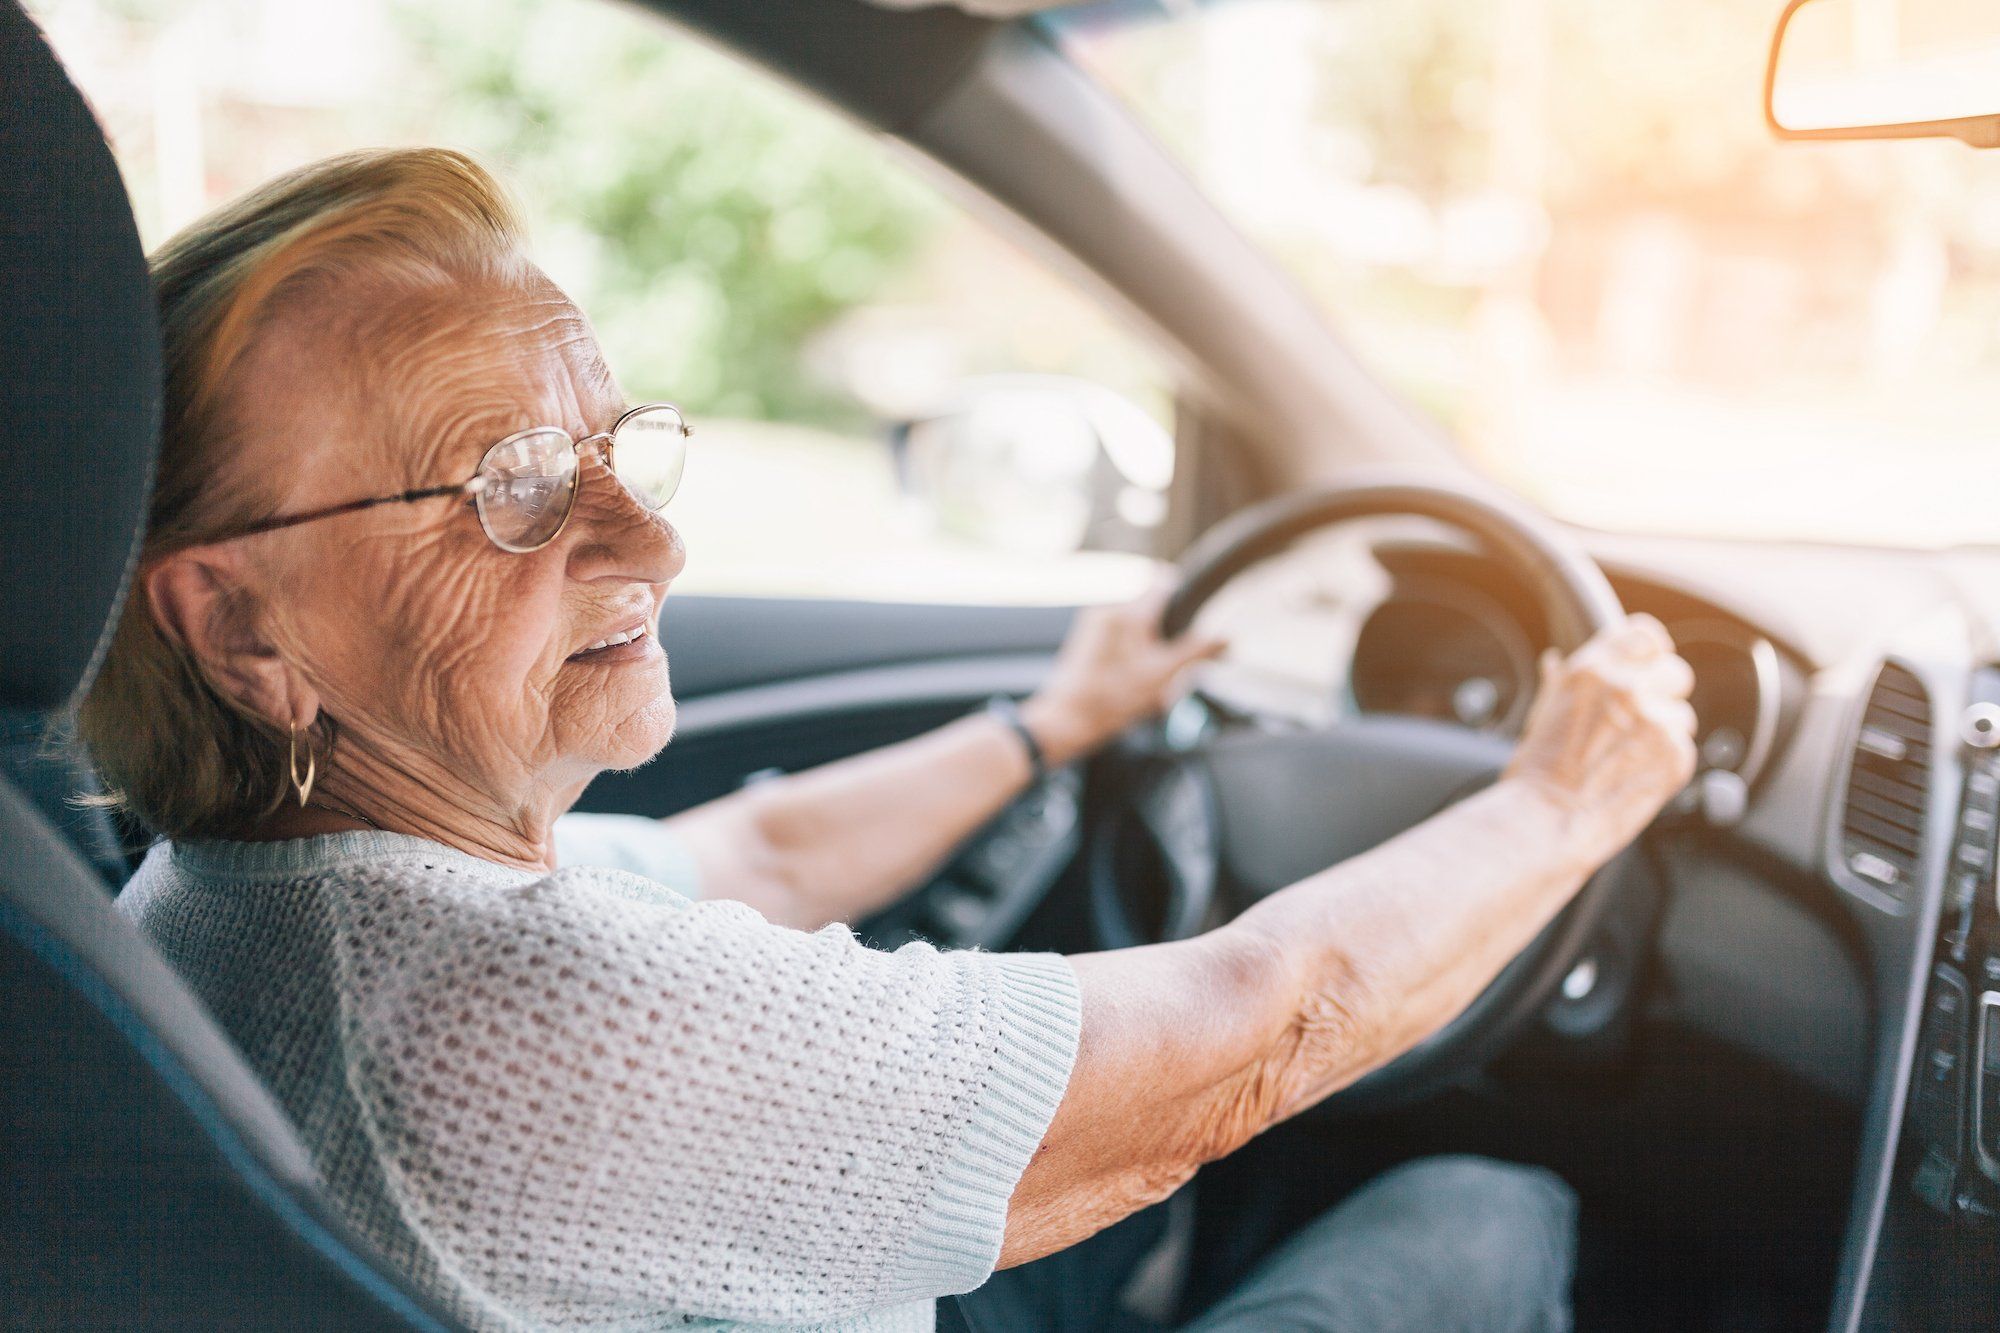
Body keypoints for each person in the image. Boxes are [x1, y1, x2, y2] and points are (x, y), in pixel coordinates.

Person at [81, 148, 1696, 1332]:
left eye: (615, 446)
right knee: (1491, 1206)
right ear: (238, 629)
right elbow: (1251, 1027)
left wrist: (1050, 723)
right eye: (506, 483)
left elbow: (759, 850)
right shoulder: (511, 1023)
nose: (649, 542)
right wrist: (1566, 797)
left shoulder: (235, 901)